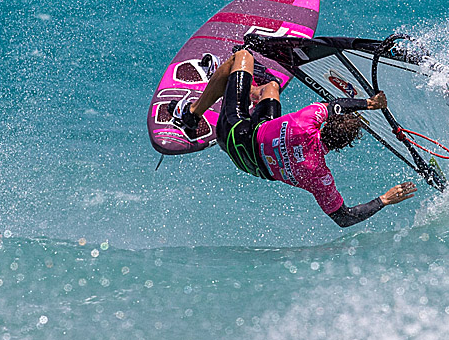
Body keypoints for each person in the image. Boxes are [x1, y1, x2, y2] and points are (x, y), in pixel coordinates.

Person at [169, 48, 417, 227]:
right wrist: (384, 199)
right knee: (271, 87)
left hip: (236, 137)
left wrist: (368, 104)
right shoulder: (320, 175)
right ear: (342, 146)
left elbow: (337, 104)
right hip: (255, 164)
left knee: (242, 57)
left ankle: (189, 114)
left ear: (325, 123)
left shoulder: (308, 120)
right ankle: (233, 83)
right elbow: (344, 218)